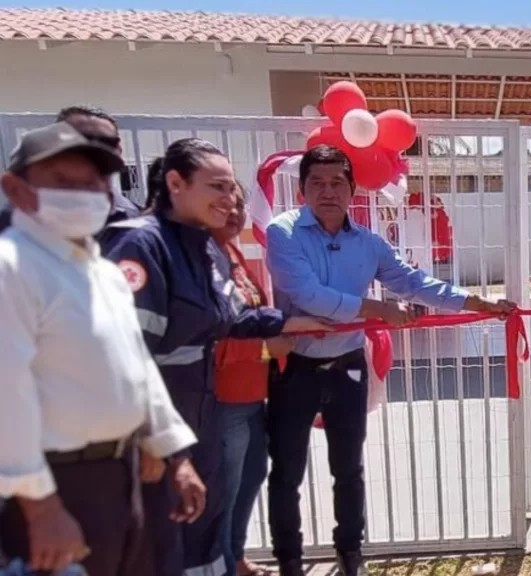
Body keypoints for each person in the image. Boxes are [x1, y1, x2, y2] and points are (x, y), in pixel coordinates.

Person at [264, 145, 516, 576]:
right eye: (317, 183)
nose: (328, 191)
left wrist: (477, 301)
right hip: (294, 368)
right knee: (286, 470)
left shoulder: (368, 243)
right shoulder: (282, 232)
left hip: (348, 365)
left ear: (352, 188)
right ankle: (289, 559)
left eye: (337, 182)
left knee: (349, 467)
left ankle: (350, 554)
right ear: (302, 188)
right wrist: (379, 310)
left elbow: (413, 282)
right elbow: (307, 296)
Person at [99, 138, 330, 576]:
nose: (229, 199)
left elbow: (230, 317)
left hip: (199, 417)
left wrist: (285, 323)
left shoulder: (204, 248)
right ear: (175, 183)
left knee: (204, 532)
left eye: (232, 189)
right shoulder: (140, 246)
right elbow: (124, 356)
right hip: (155, 433)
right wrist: (158, 446)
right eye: (217, 187)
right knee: (162, 540)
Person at [0, 122, 203, 575]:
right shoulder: (12, 268)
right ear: (16, 189)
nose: (85, 194)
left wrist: (175, 454)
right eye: (64, 184)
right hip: (54, 486)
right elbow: (6, 396)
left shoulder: (100, 270)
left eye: (93, 184)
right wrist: (41, 508)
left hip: (121, 476)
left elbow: (138, 368)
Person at [212, 186, 289, 576]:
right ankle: (223, 565)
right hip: (223, 399)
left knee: (251, 475)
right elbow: (216, 340)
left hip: (251, 395)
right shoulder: (202, 259)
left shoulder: (230, 254)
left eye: (239, 204)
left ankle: (235, 557)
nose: (234, 211)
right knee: (224, 490)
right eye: (222, 203)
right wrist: (265, 351)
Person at [0, 106, 139, 235]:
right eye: (78, 140)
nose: (89, 150)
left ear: (119, 150)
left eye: (106, 142)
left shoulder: (133, 218)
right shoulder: (14, 221)